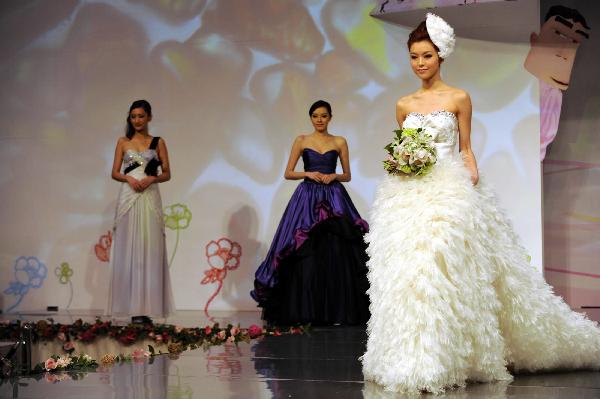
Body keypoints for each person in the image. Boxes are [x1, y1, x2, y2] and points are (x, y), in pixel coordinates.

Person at [361, 14, 600, 394]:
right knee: (411, 272)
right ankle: (415, 352)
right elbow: (404, 146)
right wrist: (400, 162)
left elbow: (466, 149)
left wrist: (469, 181)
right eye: (413, 57)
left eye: (426, 55)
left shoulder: (458, 98)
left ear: (441, 56)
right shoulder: (404, 104)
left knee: (447, 267)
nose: (419, 63)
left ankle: (452, 353)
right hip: (405, 195)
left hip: (449, 189)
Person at [251, 100, 370, 326]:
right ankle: (305, 310)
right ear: (310, 117)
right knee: (304, 249)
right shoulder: (302, 140)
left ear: (330, 117)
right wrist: (309, 173)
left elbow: (347, 175)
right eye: (315, 116)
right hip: (307, 196)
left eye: (324, 116)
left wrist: (333, 176)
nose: (319, 119)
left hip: (333, 196)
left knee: (336, 250)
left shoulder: (339, 141)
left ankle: (336, 310)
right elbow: (288, 172)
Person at [106, 99, 175, 318]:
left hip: (149, 195)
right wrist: (128, 178)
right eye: (133, 116)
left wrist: (151, 179)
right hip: (129, 196)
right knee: (129, 247)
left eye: (141, 116)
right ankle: (130, 307)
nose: (137, 120)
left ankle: (149, 307)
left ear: (149, 117)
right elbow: (114, 172)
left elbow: (167, 173)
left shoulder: (158, 142)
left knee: (150, 247)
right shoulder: (123, 142)